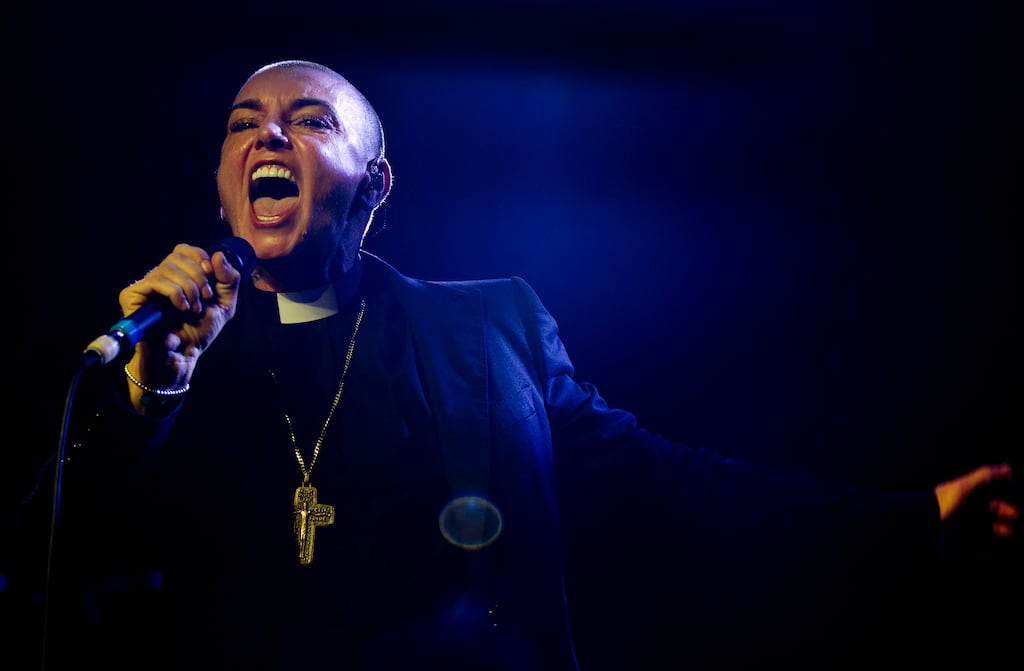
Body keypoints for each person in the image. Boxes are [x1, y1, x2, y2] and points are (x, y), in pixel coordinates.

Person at [39, 59, 1017, 671]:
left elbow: (665, 485)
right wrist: (151, 388)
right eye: (244, 121)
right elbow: (56, 556)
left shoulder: (489, 327)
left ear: (376, 184)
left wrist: (907, 521)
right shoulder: (167, 349)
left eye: (311, 119)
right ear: (223, 187)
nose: (270, 132)